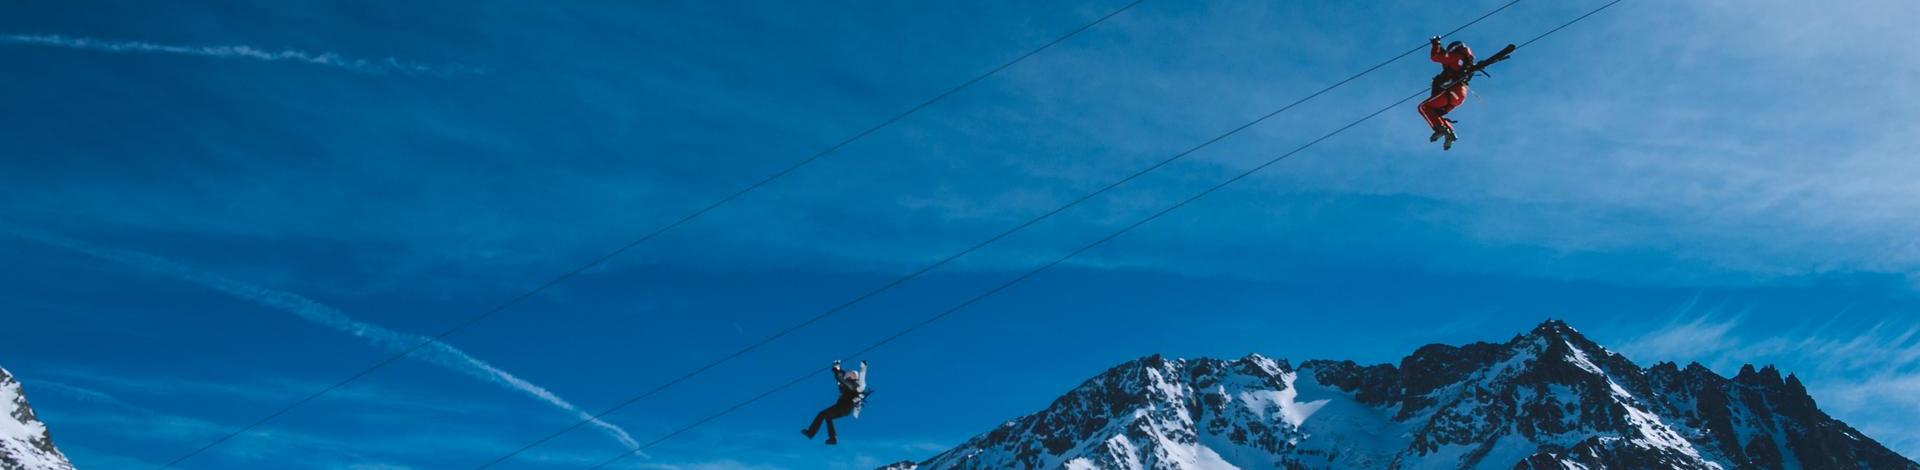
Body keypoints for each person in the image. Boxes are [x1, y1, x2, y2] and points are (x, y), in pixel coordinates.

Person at [1419, 36, 1475, 150]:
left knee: (1423, 107)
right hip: (1459, 95)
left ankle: (1440, 129)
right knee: (1434, 113)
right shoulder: (1464, 63)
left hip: (1452, 91)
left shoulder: (1456, 57)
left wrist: (1436, 44)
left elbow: (1435, 57)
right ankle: (1450, 133)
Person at [801, 359, 866, 445]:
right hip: (844, 409)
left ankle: (811, 433)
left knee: (822, 414)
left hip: (844, 407)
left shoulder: (853, 384)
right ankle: (832, 438)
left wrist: (836, 369)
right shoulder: (849, 383)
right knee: (828, 417)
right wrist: (838, 368)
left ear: (854, 377)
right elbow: (842, 377)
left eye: (852, 373)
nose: (849, 373)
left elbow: (841, 378)